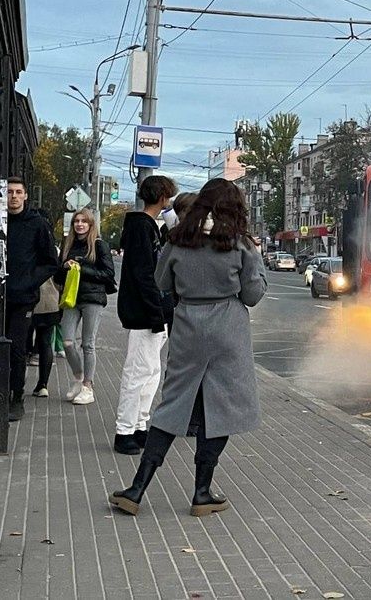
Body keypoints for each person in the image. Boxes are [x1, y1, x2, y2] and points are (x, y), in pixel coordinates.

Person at [109, 179, 267, 517]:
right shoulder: (239, 245)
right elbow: (252, 295)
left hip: (187, 327)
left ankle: (137, 489)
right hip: (228, 329)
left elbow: (162, 282)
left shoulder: (178, 241)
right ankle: (202, 493)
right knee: (221, 409)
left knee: (173, 405)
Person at [114, 175, 177, 455]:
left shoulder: (149, 227)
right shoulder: (142, 228)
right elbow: (145, 275)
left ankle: (139, 425)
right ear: (162, 197)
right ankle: (124, 430)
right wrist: (155, 313)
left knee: (151, 371)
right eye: (170, 197)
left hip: (151, 311)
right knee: (138, 372)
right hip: (144, 313)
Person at [5, 177, 59, 420]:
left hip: (23, 298)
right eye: (9, 192)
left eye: (18, 192)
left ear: (26, 196)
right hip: (1, 294)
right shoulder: (1, 222)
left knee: (18, 349)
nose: (14, 197)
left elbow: (50, 262)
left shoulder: (36, 224)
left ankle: (17, 398)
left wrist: (28, 281)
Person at [55, 208, 116, 405]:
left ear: (91, 225)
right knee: (67, 342)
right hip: (71, 298)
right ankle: (78, 377)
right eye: (76, 221)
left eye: (84, 221)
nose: (80, 224)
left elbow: (108, 274)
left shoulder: (99, 245)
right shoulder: (67, 245)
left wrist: (83, 267)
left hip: (93, 299)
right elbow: (57, 276)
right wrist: (64, 267)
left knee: (88, 344)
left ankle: (88, 387)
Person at [30, 277, 62, 397]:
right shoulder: (53, 257)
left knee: (21, 342)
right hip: (50, 298)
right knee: (46, 342)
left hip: (28, 297)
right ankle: (43, 385)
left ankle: (16, 386)